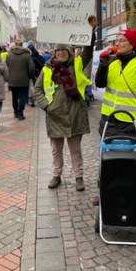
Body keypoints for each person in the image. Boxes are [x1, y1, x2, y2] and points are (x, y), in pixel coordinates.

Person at [95, 29, 136, 205]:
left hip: (132, 123)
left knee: (129, 161)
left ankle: (128, 195)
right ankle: (103, 193)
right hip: (108, 120)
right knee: (105, 158)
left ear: (132, 43)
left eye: (122, 40)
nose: (117, 44)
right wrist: (103, 64)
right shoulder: (112, 63)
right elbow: (99, 83)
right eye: (116, 40)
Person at [32, 33, 95, 191]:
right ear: (54, 53)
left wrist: (91, 32)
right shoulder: (47, 69)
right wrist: (47, 106)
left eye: (64, 50)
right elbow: (37, 90)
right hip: (55, 116)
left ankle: (78, 177)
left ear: (69, 52)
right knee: (56, 150)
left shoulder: (77, 64)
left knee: (75, 150)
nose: (61, 52)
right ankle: (56, 175)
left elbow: (88, 51)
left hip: (74, 114)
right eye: (58, 50)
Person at [5, 40, 35, 120]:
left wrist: (8, 77)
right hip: (24, 80)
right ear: (22, 45)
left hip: (12, 80)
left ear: (15, 45)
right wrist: (30, 76)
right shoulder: (27, 55)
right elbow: (32, 68)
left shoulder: (9, 55)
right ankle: (20, 113)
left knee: (14, 97)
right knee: (22, 97)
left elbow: (6, 67)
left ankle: (15, 112)